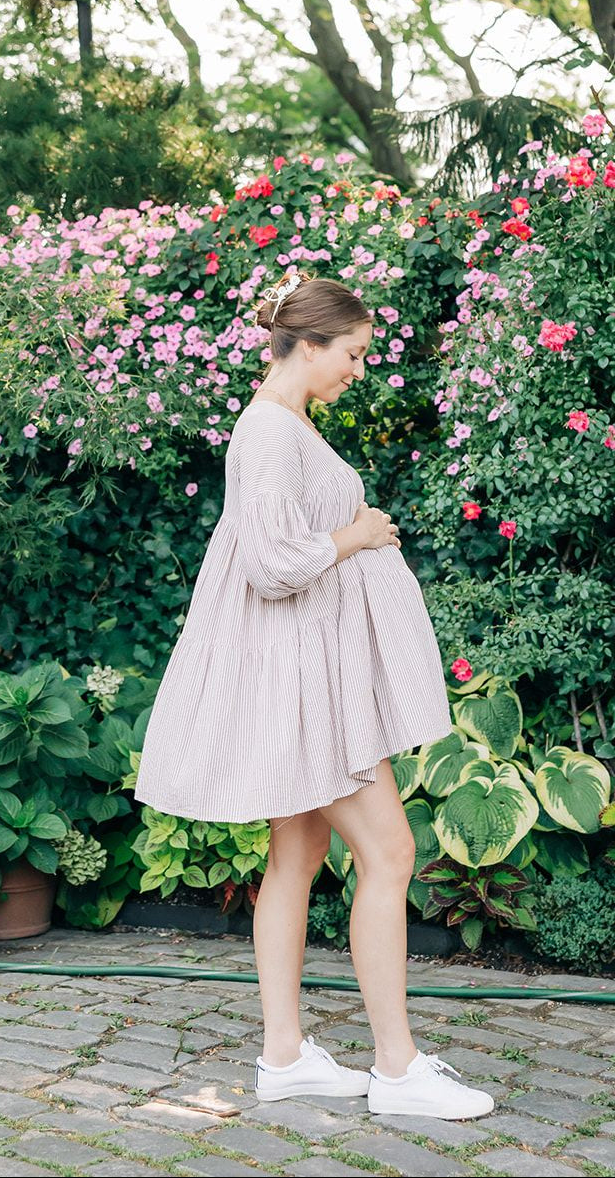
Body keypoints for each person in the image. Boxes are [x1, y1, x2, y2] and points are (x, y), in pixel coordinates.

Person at [135, 270, 494, 1121]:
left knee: (295, 858)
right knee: (390, 854)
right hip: (305, 689)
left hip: (310, 677)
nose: (359, 370)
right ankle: (398, 1069)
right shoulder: (267, 432)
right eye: (354, 353)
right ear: (311, 342)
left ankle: (285, 1056)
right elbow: (270, 563)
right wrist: (357, 534)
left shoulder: (287, 424)